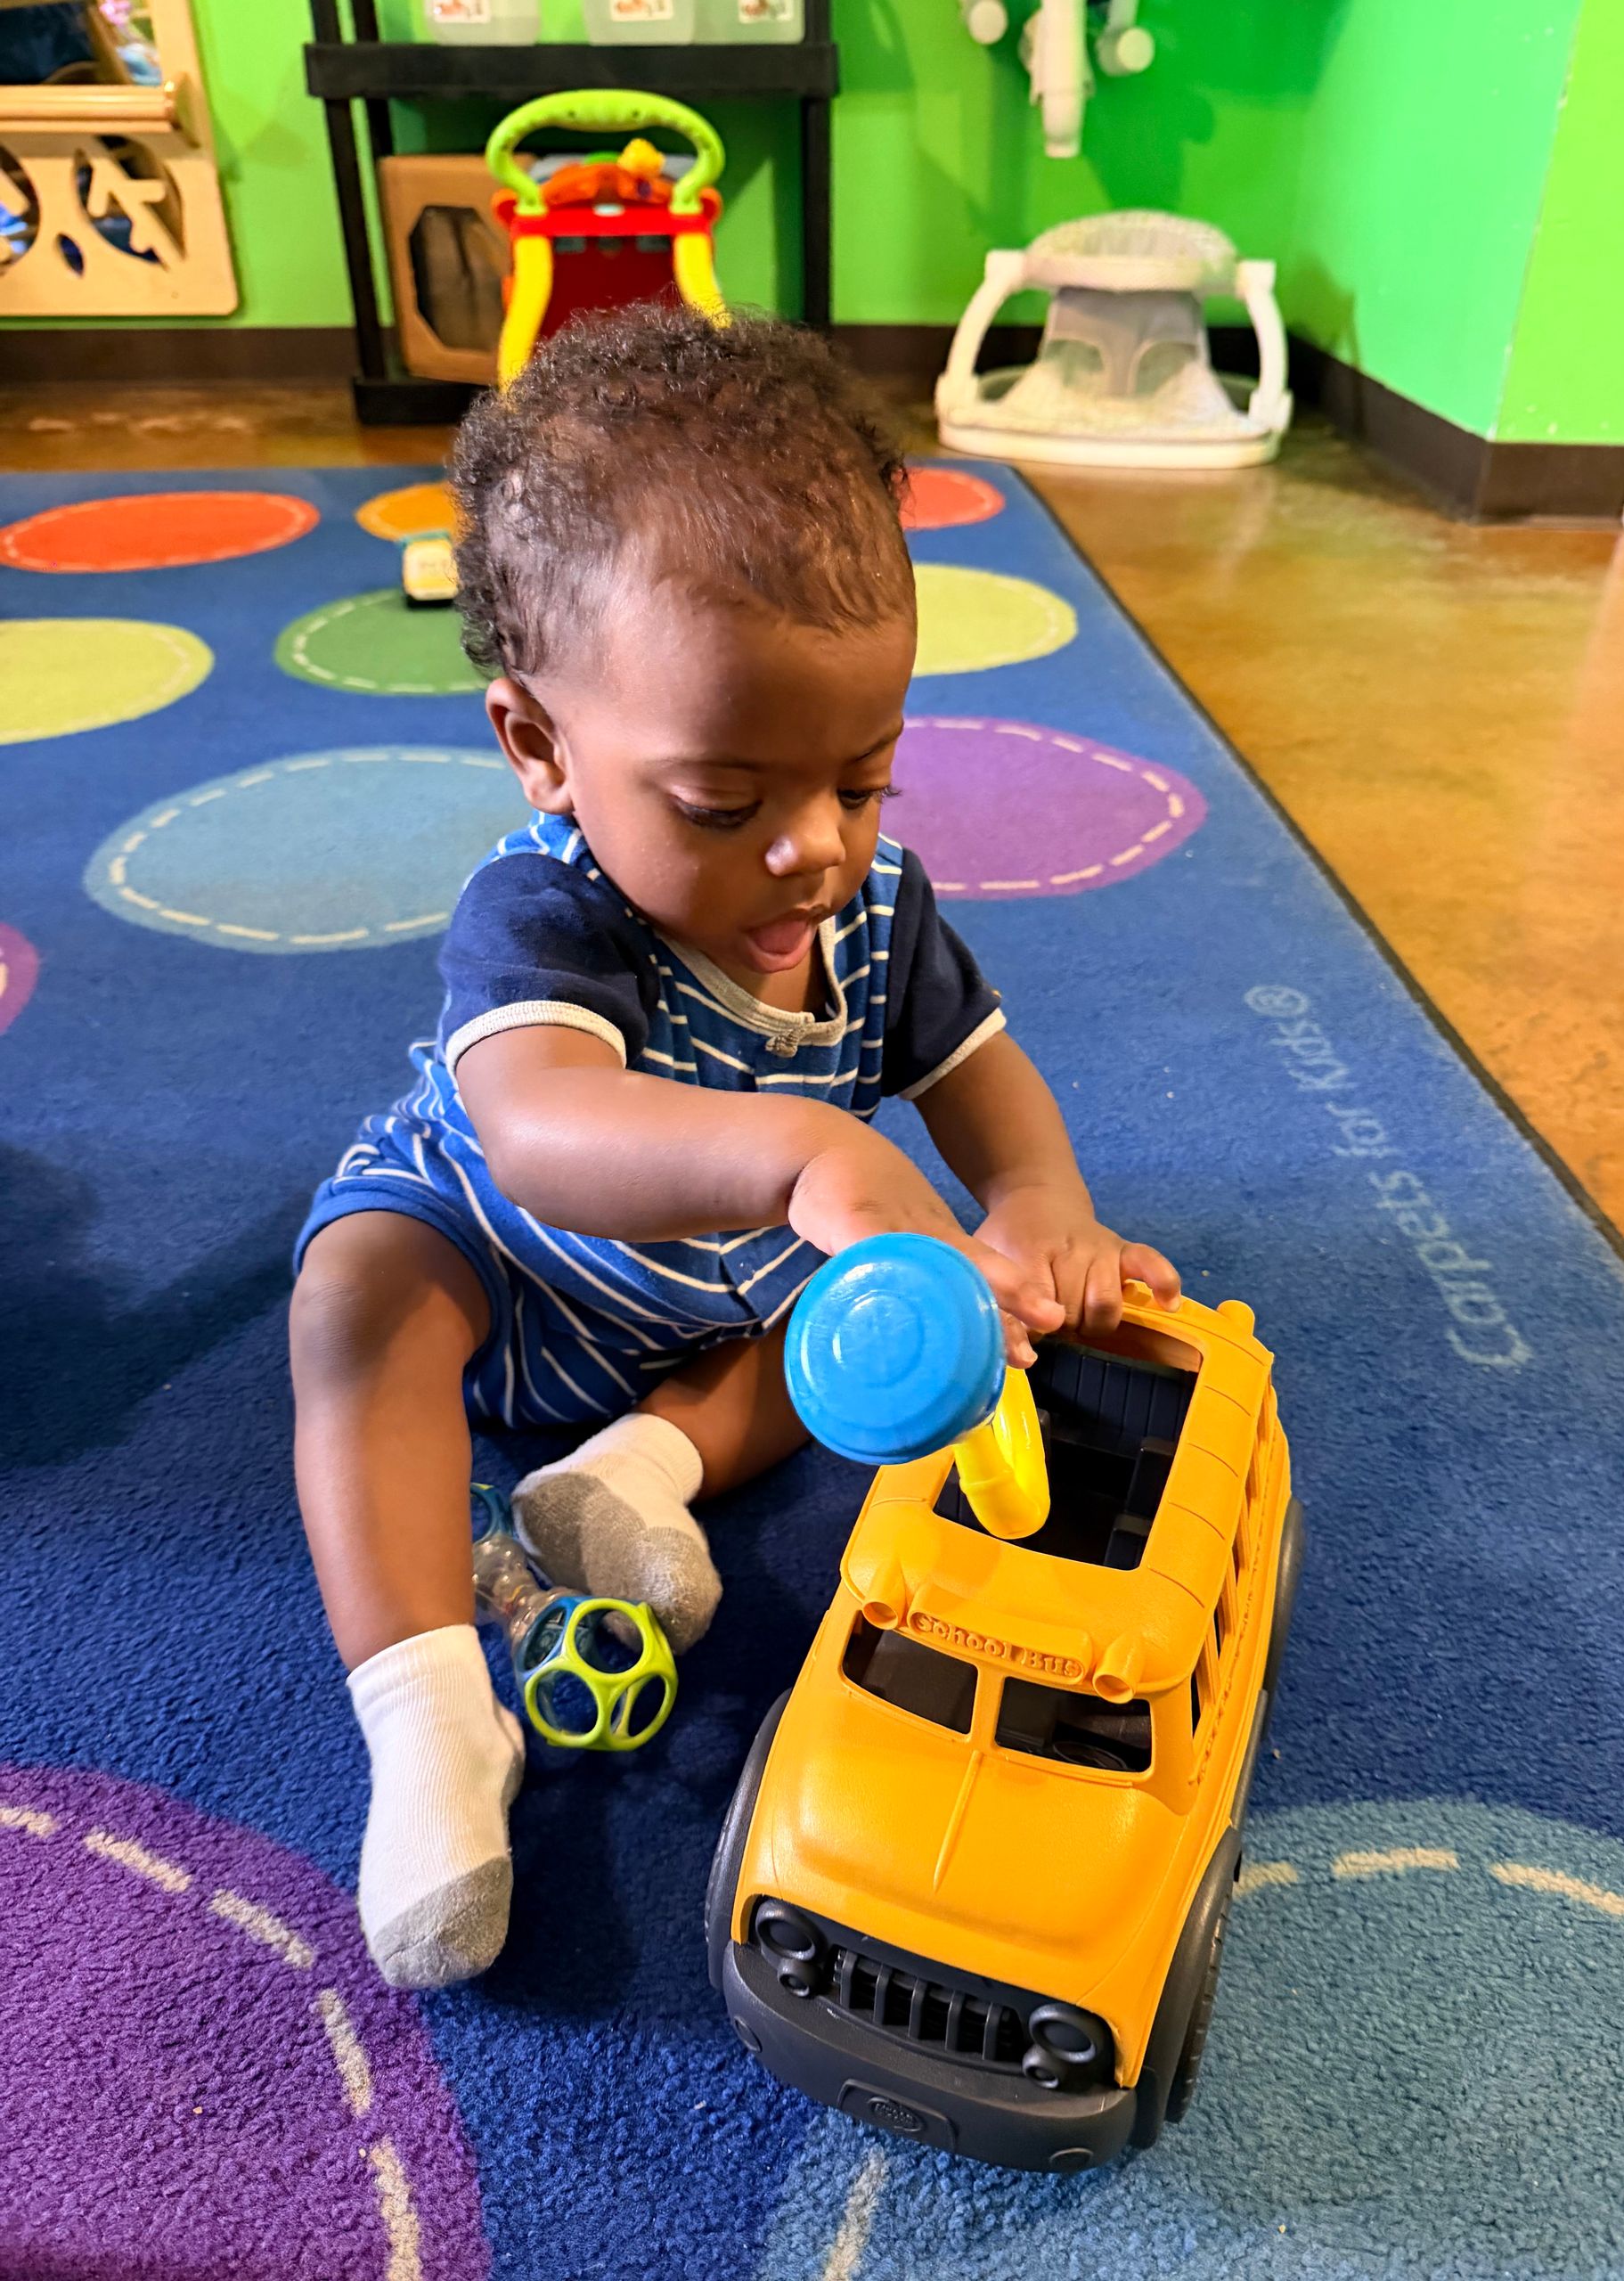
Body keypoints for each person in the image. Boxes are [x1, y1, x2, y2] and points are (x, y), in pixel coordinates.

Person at [290, 307, 1181, 1991]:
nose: (812, 851)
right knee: (355, 1299)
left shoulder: (876, 909)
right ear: (540, 748)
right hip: (500, 1253)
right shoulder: (542, 910)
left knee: (872, 1323)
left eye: (866, 779)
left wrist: (1036, 1204)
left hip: (717, 1301)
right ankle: (430, 1719)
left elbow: (980, 1070)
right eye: (722, 804)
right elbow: (540, 1133)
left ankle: (640, 1472)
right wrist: (797, 1154)